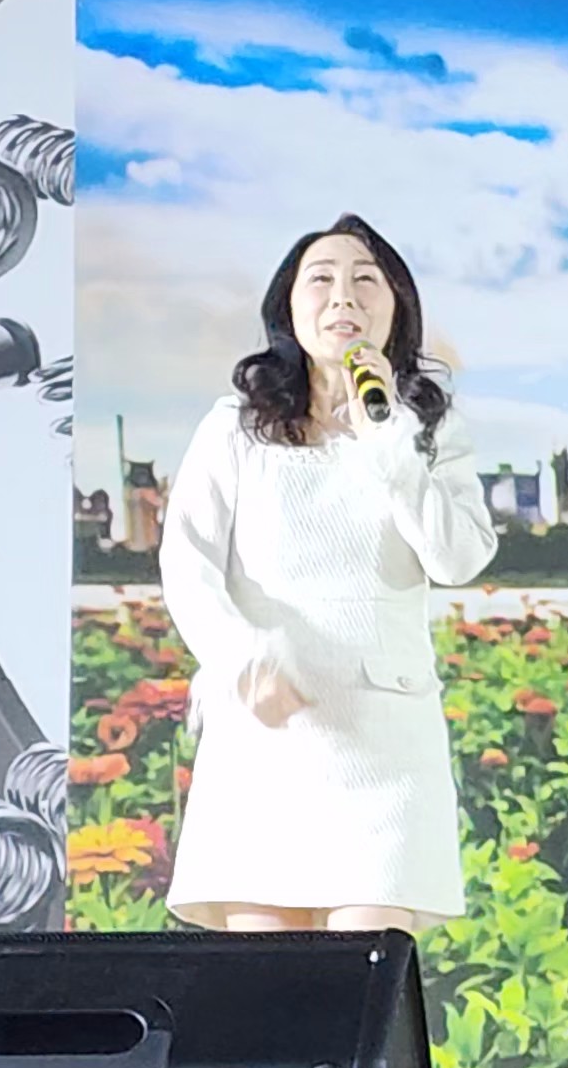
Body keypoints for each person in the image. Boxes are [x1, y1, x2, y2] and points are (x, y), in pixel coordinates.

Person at [157, 216, 499, 934]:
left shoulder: (427, 429)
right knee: (269, 983)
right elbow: (187, 563)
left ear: (396, 309)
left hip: (383, 737)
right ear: (289, 307)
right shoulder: (234, 426)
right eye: (322, 279)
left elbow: (458, 557)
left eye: (365, 280)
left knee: (364, 969)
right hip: (266, 731)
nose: (343, 295)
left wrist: (389, 438)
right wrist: (242, 656)